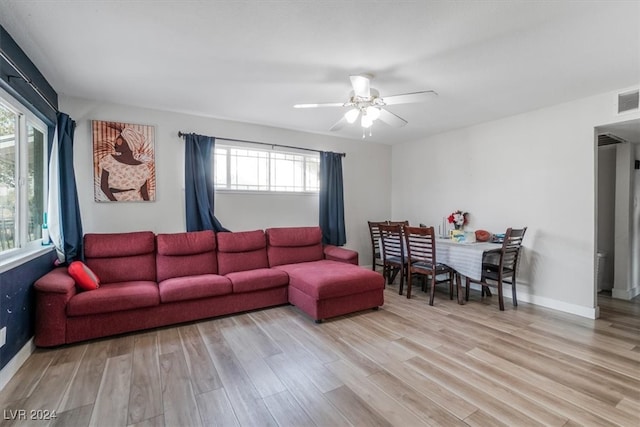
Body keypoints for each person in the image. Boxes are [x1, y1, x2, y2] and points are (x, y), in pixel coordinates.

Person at [99, 122, 153, 201]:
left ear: (129, 143)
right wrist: (115, 202)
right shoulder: (109, 160)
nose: (115, 143)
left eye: (119, 140)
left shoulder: (143, 168)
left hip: (136, 201)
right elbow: (104, 187)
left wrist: (149, 207)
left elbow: (144, 192)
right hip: (112, 200)